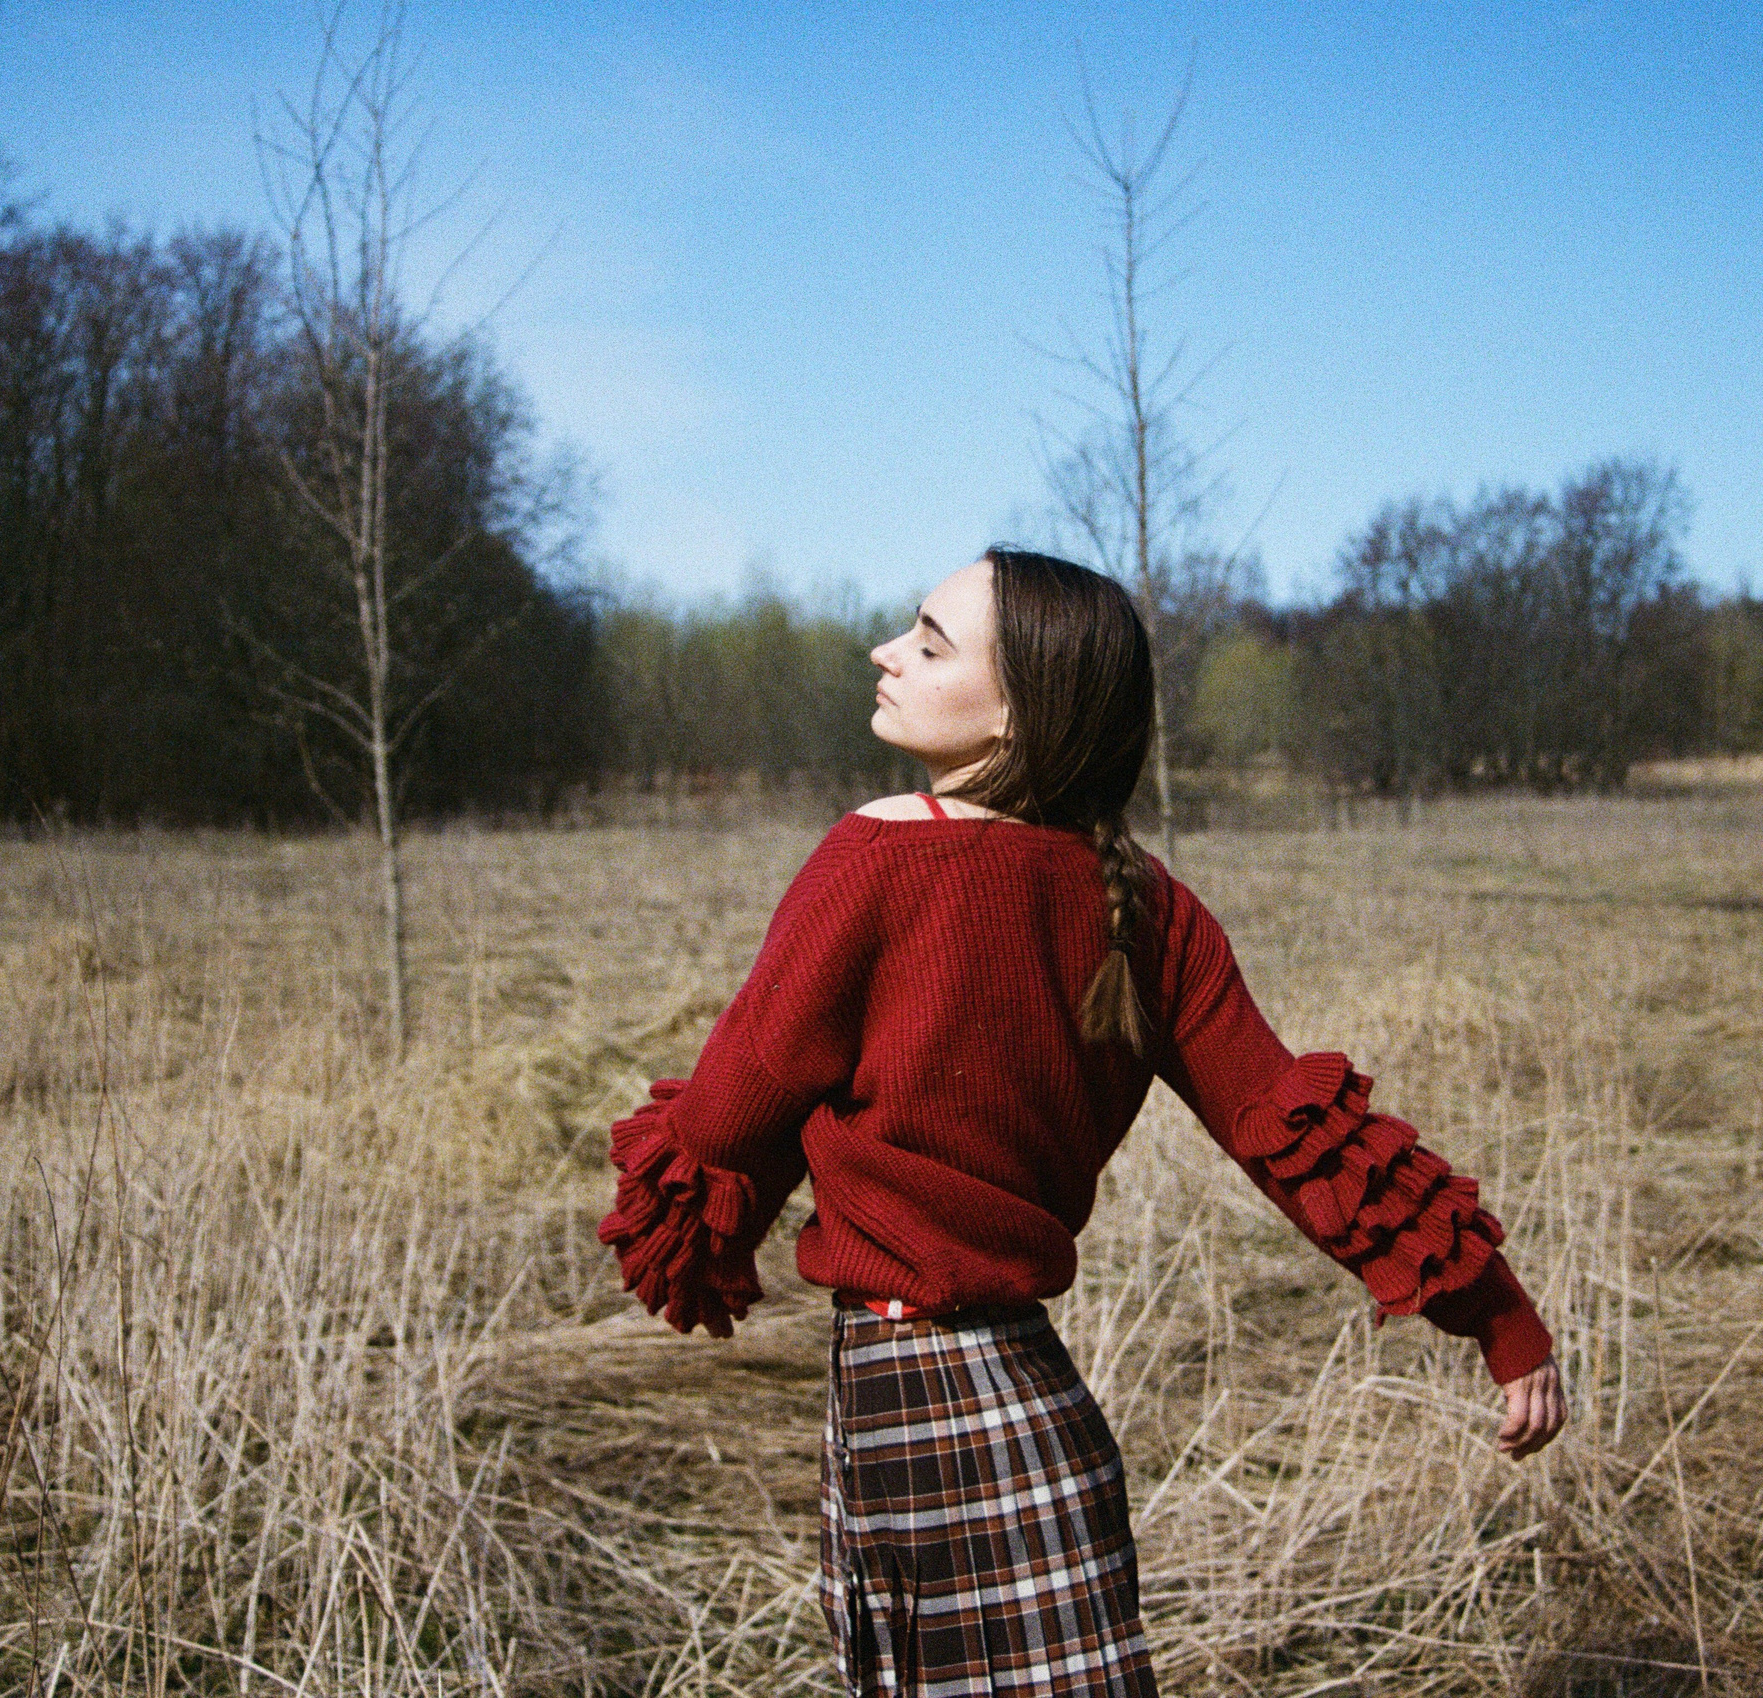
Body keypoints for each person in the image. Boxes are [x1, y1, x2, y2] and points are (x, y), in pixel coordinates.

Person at [597, 547, 1564, 1698]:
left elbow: (732, 1104)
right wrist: (1496, 1314)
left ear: (1019, 712)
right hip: (1035, 1407)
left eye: (928, 640)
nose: (885, 652)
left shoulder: (874, 857)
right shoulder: (1144, 900)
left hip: (915, 1400)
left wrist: (700, 1236)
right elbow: (1290, 1132)